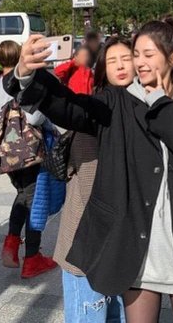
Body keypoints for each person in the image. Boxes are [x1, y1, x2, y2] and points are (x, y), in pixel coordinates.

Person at [10, 18, 173, 323]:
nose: (140, 62)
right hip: (137, 247)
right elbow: (70, 107)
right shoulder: (117, 102)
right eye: (137, 54)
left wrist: (160, 102)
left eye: (148, 54)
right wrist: (28, 76)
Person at [55, 36, 134, 323]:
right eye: (112, 61)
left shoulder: (140, 109)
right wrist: (27, 79)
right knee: (90, 314)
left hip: (122, 243)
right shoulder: (97, 112)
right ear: (102, 70)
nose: (121, 66)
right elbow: (62, 107)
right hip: (86, 241)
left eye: (126, 58)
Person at [0, 40, 57, 279]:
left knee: (23, 196)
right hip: (30, 153)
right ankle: (32, 258)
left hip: (7, 154)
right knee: (35, 202)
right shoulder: (21, 83)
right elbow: (35, 118)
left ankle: (12, 241)